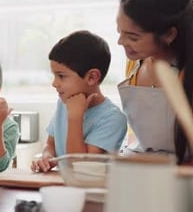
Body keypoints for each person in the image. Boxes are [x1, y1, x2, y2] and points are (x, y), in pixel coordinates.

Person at [116, 0, 193, 164]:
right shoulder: (135, 62)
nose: (121, 42)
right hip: (144, 171)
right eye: (120, 32)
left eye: (133, 37)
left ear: (169, 34)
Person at [31, 31, 127, 173]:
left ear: (92, 77)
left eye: (61, 76)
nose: (54, 83)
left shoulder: (112, 119)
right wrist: (47, 157)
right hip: (64, 188)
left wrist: (75, 117)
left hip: (92, 191)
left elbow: (80, 168)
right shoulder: (64, 104)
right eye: (54, 75)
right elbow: (50, 144)